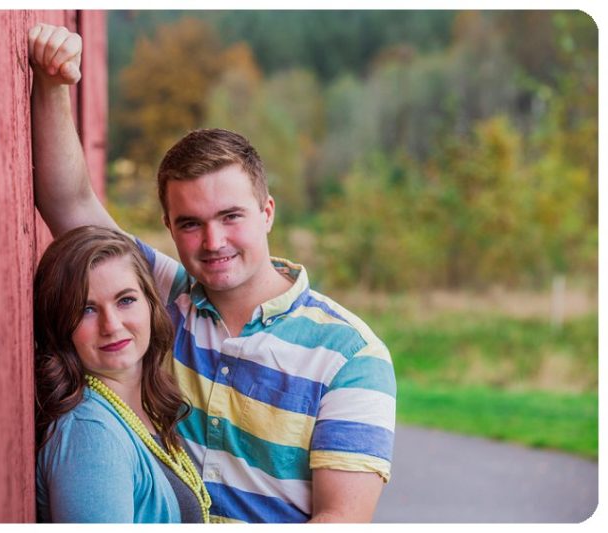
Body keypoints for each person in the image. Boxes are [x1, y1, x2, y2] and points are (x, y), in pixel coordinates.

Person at [27, 24, 396, 523]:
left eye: (231, 217)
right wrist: (52, 82)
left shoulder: (351, 356)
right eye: (191, 224)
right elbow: (68, 202)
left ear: (266, 212)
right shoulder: (158, 297)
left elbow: (340, 521)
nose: (213, 242)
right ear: (169, 228)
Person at [34, 226, 210, 523]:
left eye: (125, 300)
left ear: (151, 304)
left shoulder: (144, 410)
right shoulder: (89, 435)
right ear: (61, 325)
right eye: (86, 309)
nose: (112, 325)